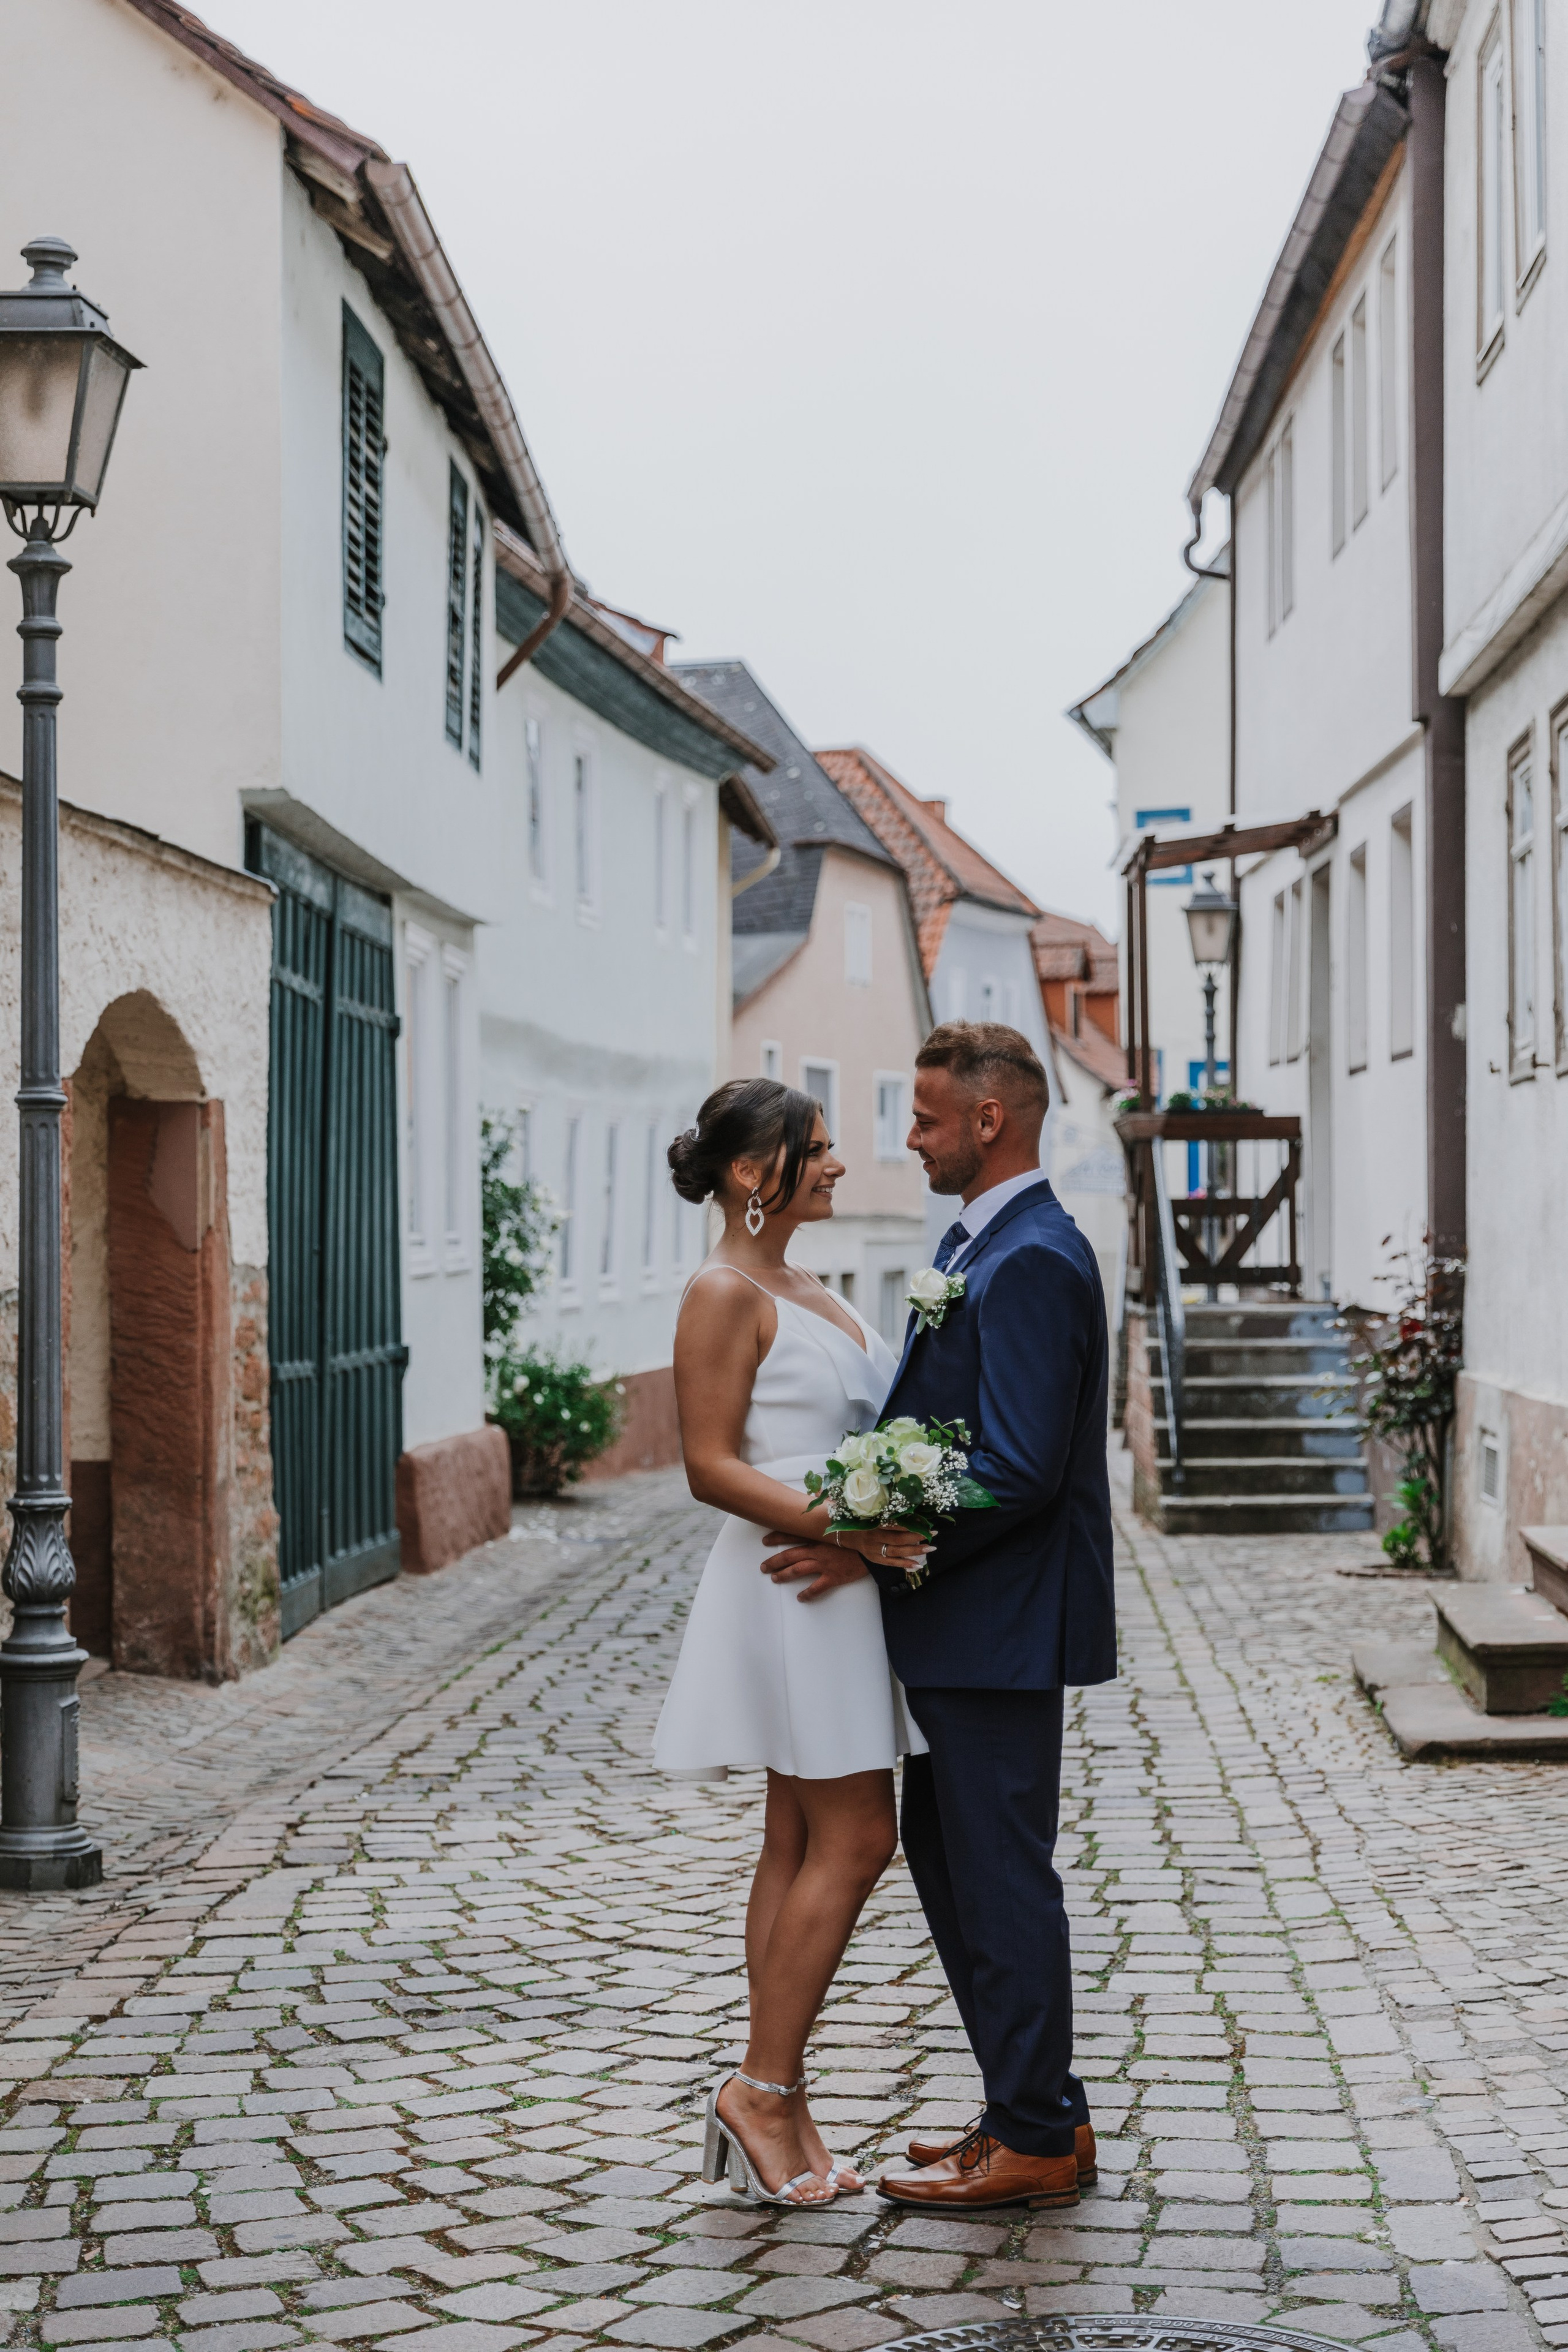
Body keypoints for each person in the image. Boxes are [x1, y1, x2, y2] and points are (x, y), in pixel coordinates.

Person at [763, 1022, 1117, 2212]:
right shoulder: (990, 1243)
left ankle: (1034, 2133)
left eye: (920, 1119)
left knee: (997, 1876)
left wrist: (871, 1540)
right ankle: (1028, 2112)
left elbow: (1015, 1468)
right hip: (970, 1620)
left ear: (987, 1119)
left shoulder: (1027, 1259)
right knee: (956, 1867)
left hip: (996, 1621)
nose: (903, 1140)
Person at [654, 1077, 928, 2207]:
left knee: (795, 1838)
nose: (837, 1165)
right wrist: (858, 1533)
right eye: (814, 1150)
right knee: (860, 1840)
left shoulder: (811, 1284)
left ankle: (780, 2093)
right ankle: (759, 2090)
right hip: (794, 1585)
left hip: (835, 1583)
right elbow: (710, 1464)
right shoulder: (722, 1291)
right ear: (747, 1172)